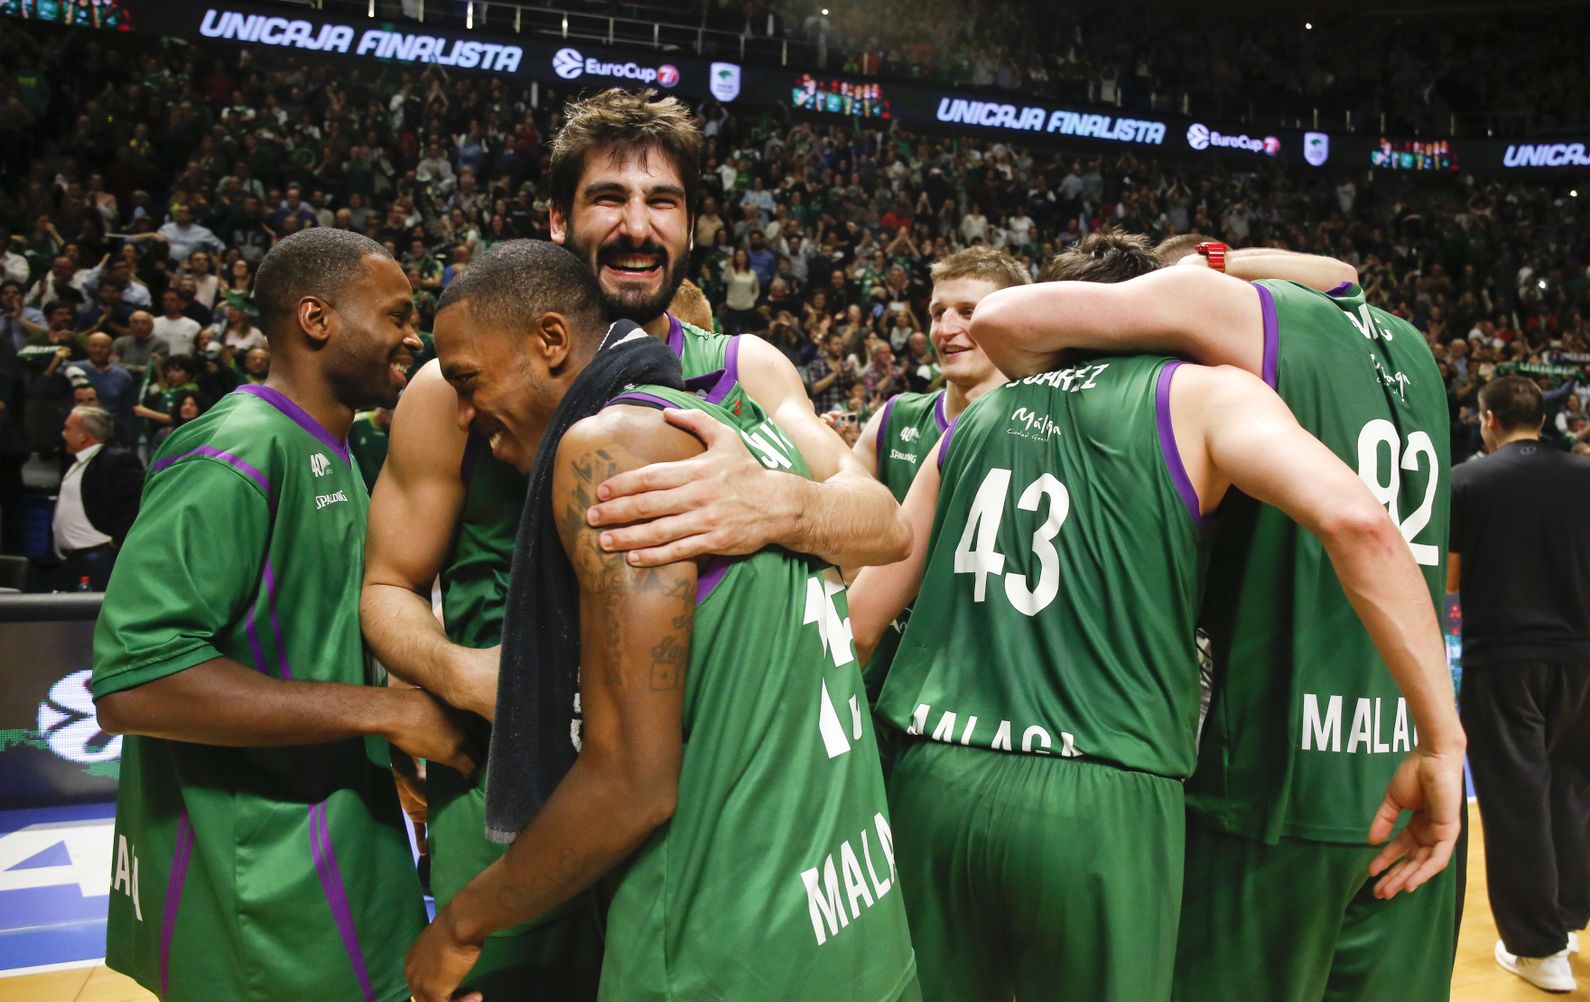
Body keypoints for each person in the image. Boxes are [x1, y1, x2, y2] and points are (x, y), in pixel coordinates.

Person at [362, 88, 906, 1000]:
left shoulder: (746, 369)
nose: (636, 225)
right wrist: (461, 676)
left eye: (663, 202)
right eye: (609, 197)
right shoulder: (453, 388)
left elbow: (882, 522)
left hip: (692, 790)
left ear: (691, 227)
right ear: (559, 219)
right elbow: (386, 585)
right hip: (516, 776)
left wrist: (772, 502)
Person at [850, 257, 1463, 1000]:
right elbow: (1361, 520)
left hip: (933, 779)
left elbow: (857, 624)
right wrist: (1441, 736)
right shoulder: (1203, 398)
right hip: (1098, 788)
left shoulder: (975, 419)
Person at [90, 228, 476, 1002]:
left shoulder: (329, 451)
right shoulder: (233, 449)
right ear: (315, 317)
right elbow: (134, 685)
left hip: (336, 870)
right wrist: (386, 712)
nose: (411, 336)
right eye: (396, 315)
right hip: (262, 898)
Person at [1450, 375, 1590, 994]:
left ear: (1488, 420)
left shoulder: (1468, 482)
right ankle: (1565, 921)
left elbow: (1451, 581)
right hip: (1589, 660)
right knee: (1570, 788)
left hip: (1507, 657)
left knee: (1515, 799)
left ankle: (1537, 949)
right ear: (1543, 420)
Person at [851, 246, 1027, 770]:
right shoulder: (894, 420)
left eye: (968, 311)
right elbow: (839, 542)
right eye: (937, 312)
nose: (947, 327)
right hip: (877, 694)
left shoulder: (1039, 432)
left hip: (983, 714)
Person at [50, 405, 142, 590]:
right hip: (74, 560)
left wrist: (116, 543)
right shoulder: (80, 462)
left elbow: (137, 502)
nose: (63, 433)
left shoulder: (116, 460)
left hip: (99, 559)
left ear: (84, 436)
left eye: (68, 428)